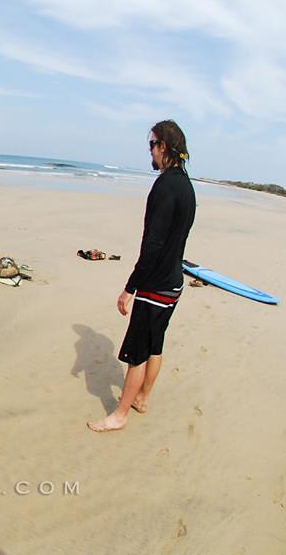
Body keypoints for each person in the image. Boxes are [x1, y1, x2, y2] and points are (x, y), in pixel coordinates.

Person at [87, 120, 196, 432]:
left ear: (164, 147)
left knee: (137, 352)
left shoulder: (165, 187)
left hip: (156, 285)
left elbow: (153, 244)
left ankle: (120, 415)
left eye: (152, 144)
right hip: (174, 282)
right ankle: (142, 398)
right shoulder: (186, 185)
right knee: (155, 345)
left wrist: (130, 287)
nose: (149, 151)